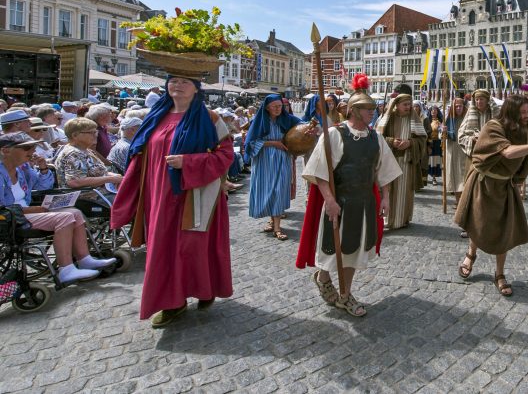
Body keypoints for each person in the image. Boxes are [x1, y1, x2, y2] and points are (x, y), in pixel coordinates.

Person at [110, 74, 235, 328]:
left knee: (194, 247)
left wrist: (188, 163)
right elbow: (139, 153)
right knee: (163, 249)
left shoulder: (210, 119)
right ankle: (172, 302)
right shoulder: (155, 116)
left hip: (196, 195)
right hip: (159, 196)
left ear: (196, 88)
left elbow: (226, 154)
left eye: (185, 81)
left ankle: (204, 288)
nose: (177, 85)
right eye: (173, 80)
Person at [296, 74, 401, 317]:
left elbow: (384, 170)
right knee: (334, 251)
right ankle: (323, 278)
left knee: (354, 253)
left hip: (364, 203)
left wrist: (385, 197)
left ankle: (345, 295)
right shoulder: (334, 135)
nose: (372, 113)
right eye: (367, 109)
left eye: (373, 109)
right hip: (339, 203)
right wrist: (330, 201)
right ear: (353, 111)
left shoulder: (376, 137)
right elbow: (320, 172)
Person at [453, 94, 528, 297]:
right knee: (478, 224)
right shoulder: (494, 127)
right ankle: (470, 255)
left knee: (504, 230)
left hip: (504, 186)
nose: (527, 116)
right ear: (510, 111)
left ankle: (500, 274)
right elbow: (509, 152)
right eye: (522, 112)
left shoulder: (523, 133)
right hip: (483, 183)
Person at [0, 132, 115, 283]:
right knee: (65, 217)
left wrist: (43, 169)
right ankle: (65, 269)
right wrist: (29, 210)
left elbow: (42, 187)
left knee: (75, 212)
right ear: (5, 150)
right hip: (10, 218)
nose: (32, 151)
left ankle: (84, 258)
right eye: (27, 148)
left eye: (33, 147)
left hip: (26, 213)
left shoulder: (23, 169)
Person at [244, 94, 301, 241]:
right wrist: (272, 143)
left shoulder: (287, 119)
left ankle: (277, 227)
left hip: (282, 160)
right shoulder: (260, 121)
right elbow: (250, 143)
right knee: (268, 190)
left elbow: (303, 125)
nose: (278, 109)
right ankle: (271, 220)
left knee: (279, 190)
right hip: (264, 161)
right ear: (267, 108)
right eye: (274, 106)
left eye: (280, 106)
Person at [377, 91, 427, 230]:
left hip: (407, 162)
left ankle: (403, 219)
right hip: (390, 161)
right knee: (389, 191)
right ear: (397, 105)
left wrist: (410, 143)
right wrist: (392, 141)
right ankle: (388, 218)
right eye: (405, 104)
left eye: (409, 104)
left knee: (405, 192)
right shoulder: (388, 118)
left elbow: (422, 139)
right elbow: (378, 137)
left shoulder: (414, 118)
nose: (408, 107)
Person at [56, 117, 124, 191]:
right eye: (91, 132)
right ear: (75, 135)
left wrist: (114, 176)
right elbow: (74, 182)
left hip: (99, 193)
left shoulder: (86, 150)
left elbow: (98, 173)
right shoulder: (73, 153)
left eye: (96, 132)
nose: (96, 135)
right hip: (84, 198)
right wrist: (109, 179)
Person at [442, 96, 468, 207]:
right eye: (456, 106)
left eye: (460, 106)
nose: (458, 108)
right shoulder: (448, 120)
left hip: (464, 151)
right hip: (451, 151)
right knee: (455, 177)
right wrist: (443, 131)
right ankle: (458, 201)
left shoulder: (468, 119)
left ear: (463, 107)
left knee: (463, 177)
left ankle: (464, 201)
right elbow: (442, 137)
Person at [425, 106, 443, 186]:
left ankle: (435, 177)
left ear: (437, 112)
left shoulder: (441, 121)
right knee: (431, 161)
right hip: (430, 142)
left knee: (437, 160)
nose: (434, 112)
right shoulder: (427, 121)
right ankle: (430, 177)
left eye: (435, 110)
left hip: (438, 143)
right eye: (432, 110)